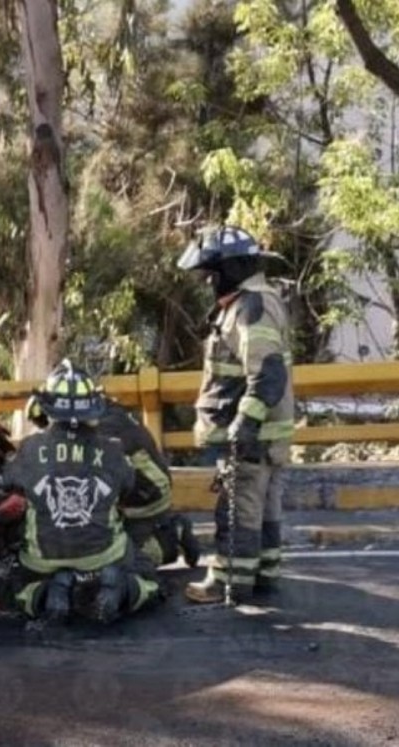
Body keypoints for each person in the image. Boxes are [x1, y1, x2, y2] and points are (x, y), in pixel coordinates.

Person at [176, 225, 294, 604]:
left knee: (238, 510)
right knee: (262, 510)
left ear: (233, 268)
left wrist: (245, 424)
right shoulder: (256, 300)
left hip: (251, 437)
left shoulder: (250, 307)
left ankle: (229, 582)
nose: (209, 281)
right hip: (267, 435)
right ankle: (263, 574)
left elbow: (267, 372)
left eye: (212, 272)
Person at [5, 360, 163, 624]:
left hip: (43, 561)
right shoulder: (113, 450)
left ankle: (49, 592)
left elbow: (8, 482)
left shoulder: (28, 449)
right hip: (105, 557)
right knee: (150, 579)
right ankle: (120, 589)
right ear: (95, 407)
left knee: (14, 588)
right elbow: (129, 487)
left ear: (45, 407)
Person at [25, 390, 201, 569]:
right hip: (139, 486)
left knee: (111, 560)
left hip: (145, 496)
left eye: (44, 423)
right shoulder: (96, 409)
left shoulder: (95, 428)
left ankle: (170, 538)